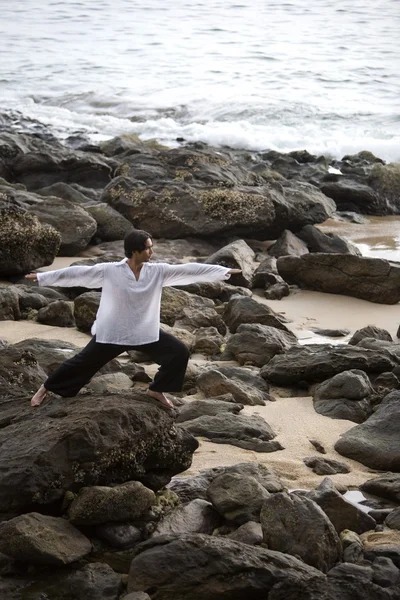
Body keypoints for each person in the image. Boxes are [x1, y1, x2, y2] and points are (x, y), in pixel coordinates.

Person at [26, 230, 241, 409]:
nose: (151, 251)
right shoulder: (111, 270)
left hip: (143, 331)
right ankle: (44, 389)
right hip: (114, 332)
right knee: (81, 363)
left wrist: (222, 271)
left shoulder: (157, 272)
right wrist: (44, 277)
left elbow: (189, 270)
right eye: (148, 247)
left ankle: (156, 390)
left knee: (178, 352)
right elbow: (79, 273)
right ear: (135, 251)